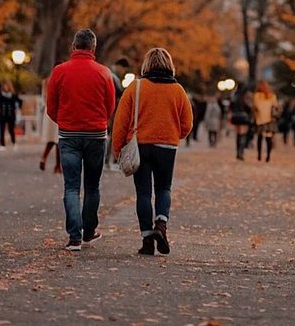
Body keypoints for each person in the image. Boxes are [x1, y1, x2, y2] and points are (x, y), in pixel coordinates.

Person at [111, 46, 192, 256]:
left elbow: (120, 121)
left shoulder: (135, 88)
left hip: (141, 145)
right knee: (164, 188)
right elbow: (188, 124)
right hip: (167, 145)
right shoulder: (178, 90)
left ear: (147, 64)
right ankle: (161, 224)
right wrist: (175, 134)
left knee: (143, 193)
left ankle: (147, 240)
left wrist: (117, 148)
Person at [46, 28, 116, 251]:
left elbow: (51, 106)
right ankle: (89, 232)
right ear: (93, 48)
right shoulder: (104, 73)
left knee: (71, 187)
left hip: (69, 135)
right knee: (93, 186)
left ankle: (74, 236)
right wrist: (98, 121)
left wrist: (64, 121)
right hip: (96, 134)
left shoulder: (59, 72)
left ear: (73, 47)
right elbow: (110, 107)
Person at [105, 57, 129, 169]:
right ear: (120, 66)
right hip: (110, 110)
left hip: (107, 109)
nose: (123, 72)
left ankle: (107, 160)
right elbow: (120, 93)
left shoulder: (108, 72)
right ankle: (107, 161)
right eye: (123, 69)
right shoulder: (113, 76)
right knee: (111, 136)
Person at [252, 80, 279, 162]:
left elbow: (255, 106)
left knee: (260, 138)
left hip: (260, 119)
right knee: (268, 139)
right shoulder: (272, 96)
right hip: (269, 119)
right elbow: (276, 106)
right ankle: (268, 156)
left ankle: (259, 155)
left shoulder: (256, 96)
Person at [39, 76, 61, 173]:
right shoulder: (58, 80)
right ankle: (57, 165)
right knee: (58, 139)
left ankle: (44, 157)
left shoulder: (46, 81)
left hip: (49, 111)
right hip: (59, 110)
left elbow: (44, 98)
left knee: (52, 138)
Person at [230, 87, 253, 160]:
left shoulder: (234, 96)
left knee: (238, 134)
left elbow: (231, 106)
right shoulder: (245, 97)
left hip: (236, 117)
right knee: (243, 134)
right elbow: (248, 108)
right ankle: (241, 151)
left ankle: (238, 151)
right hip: (243, 117)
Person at [0, 80, 21, 149]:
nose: (6, 87)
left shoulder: (13, 95)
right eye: (4, 86)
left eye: (7, 86)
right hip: (2, 114)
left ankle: (14, 143)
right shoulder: (0, 94)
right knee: (2, 130)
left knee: (11, 130)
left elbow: (19, 102)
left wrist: (17, 108)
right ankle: (2, 145)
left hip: (11, 115)